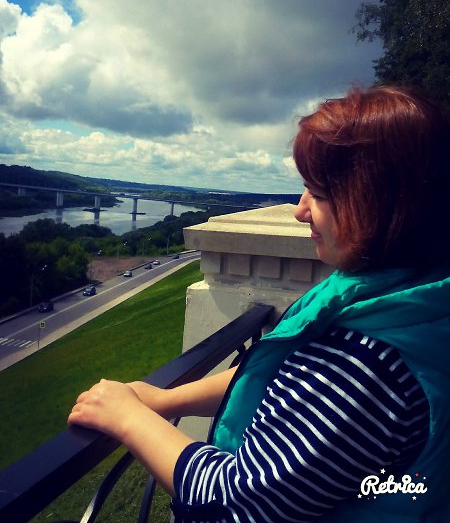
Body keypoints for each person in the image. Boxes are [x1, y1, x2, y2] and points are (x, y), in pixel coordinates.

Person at [69, 85, 450, 523]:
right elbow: (287, 378)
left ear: (382, 205)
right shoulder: (411, 298)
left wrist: (127, 417)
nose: (300, 211)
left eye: (318, 193)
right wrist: (168, 400)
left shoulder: (364, 365)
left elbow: (237, 502)